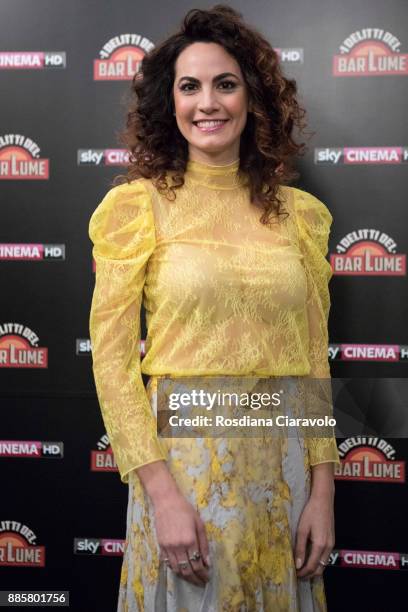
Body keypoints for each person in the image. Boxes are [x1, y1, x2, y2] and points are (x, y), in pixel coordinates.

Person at [88, 5, 341, 611]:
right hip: (183, 469)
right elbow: (114, 363)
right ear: (168, 103)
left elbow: (312, 360)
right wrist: (161, 494)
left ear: (252, 99)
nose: (209, 102)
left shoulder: (298, 216)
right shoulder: (138, 207)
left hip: (284, 468)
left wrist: (324, 492)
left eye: (226, 84)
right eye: (189, 86)